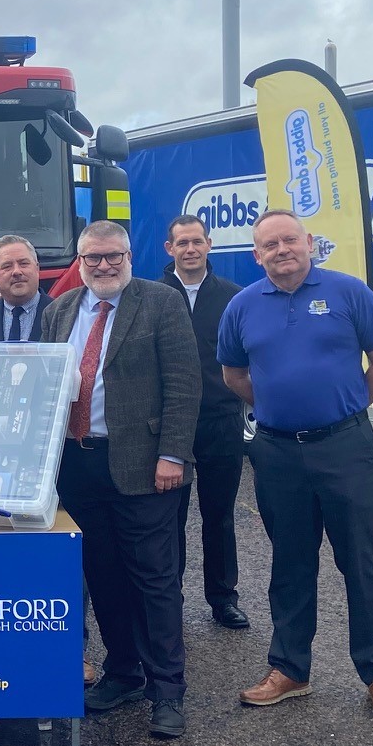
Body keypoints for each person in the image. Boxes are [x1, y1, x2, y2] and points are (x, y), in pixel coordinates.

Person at [218, 209, 373, 717]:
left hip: (346, 447)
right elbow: (234, 374)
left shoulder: (350, 293)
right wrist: (278, 408)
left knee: (363, 562)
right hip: (277, 452)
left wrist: (345, 408)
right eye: (270, 245)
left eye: (290, 240)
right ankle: (290, 669)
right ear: (256, 255)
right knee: (291, 563)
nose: (282, 250)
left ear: (308, 243)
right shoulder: (241, 306)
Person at [42, 220, 201, 740]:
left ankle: (167, 690)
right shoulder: (59, 311)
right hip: (78, 465)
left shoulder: (160, 302)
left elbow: (183, 385)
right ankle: (125, 672)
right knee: (103, 575)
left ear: (130, 256)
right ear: (80, 263)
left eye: (113, 256)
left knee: (154, 581)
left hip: (145, 465)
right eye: (93, 259)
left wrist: (173, 454)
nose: (104, 266)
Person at [162, 214, 249, 630]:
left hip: (220, 421)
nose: (190, 249)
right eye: (182, 243)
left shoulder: (234, 297)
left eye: (197, 242)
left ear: (209, 245)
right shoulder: (152, 296)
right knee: (168, 516)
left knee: (219, 515)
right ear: (170, 249)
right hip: (169, 425)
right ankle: (168, 596)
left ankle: (223, 598)